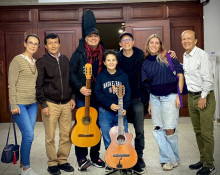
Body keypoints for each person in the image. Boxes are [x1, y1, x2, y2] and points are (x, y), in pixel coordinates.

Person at [141, 34, 184, 171]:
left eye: (157, 43)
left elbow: (180, 74)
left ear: (160, 45)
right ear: (147, 45)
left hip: (170, 96)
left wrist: (179, 95)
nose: (154, 45)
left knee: (169, 127)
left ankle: (170, 159)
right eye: (151, 43)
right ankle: (171, 159)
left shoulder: (169, 57)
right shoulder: (145, 61)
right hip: (154, 97)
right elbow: (147, 84)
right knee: (158, 128)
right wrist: (149, 103)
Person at [36, 33, 75, 175]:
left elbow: (71, 81)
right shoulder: (41, 62)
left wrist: (73, 97)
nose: (53, 45)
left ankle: (63, 160)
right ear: (45, 46)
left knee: (66, 135)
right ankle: (52, 163)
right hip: (50, 103)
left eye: (55, 42)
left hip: (66, 104)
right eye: (50, 43)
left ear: (59, 44)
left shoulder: (65, 60)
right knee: (50, 136)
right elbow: (38, 85)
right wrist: (43, 104)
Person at [69, 28, 105, 171]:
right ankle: (81, 158)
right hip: (82, 96)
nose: (93, 38)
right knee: (82, 125)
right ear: (86, 39)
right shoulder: (78, 53)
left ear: (99, 38)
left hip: (99, 96)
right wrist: (80, 88)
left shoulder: (104, 52)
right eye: (90, 36)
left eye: (96, 36)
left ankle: (95, 156)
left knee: (96, 127)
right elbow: (71, 73)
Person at [181, 30, 216, 175]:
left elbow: (208, 78)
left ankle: (210, 164)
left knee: (206, 133)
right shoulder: (186, 55)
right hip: (191, 96)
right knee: (197, 131)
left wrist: (203, 97)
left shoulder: (202, 55)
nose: (186, 41)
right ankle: (202, 159)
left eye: (189, 38)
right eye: (183, 39)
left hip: (204, 96)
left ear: (196, 41)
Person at [8, 33, 40, 175]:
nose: (33, 45)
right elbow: (11, 83)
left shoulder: (34, 62)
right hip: (19, 103)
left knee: (28, 135)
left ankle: (22, 163)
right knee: (28, 135)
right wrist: (13, 104)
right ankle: (26, 168)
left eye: (35, 44)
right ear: (25, 43)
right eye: (30, 43)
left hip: (32, 104)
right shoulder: (17, 60)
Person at [94, 50, 131, 173]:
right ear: (104, 62)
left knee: (123, 136)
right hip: (105, 112)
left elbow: (128, 93)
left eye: (113, 60)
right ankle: (111, 160)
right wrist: (109, 104)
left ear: (117, 61)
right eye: (108, 60)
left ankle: (124, 161)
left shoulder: (123, 75)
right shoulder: (101, 76)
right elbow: (98, 93)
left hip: (121, 112)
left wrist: (125, 107)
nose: (111, 62)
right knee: (108, 137)